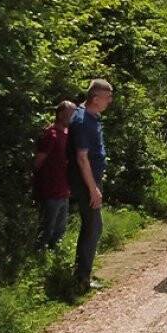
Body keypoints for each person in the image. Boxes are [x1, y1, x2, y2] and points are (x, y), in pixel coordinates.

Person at [68, 78, 113, 291]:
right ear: (95, 98)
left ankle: (82, 274)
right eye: (107, 97)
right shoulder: (83, 120)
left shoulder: (92, 117)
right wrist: (92, 188)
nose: (110, 101)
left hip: (91, 180)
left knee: (93, 226)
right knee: (93, 226)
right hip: (87, 182)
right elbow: (81, 158)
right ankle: (82, 279)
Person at [34, 101, 76, 250]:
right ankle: (39, 258)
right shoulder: (51, 134)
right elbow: (38, 162)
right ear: (61, 114)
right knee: (46, 229)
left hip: (64, 189)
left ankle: (54, 258)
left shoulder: (67, 134)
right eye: (71, 113)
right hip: (51, 190)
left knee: (60, 229)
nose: (74, 117)